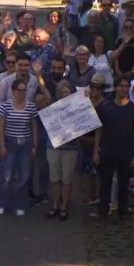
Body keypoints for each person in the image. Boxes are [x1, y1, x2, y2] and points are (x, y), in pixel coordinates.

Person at [90, 73, 134, 223]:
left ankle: (123, 212)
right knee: (105, 184)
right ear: (115, 88)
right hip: (107, 151)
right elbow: (99, 130)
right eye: (121, 86)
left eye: (126, 86)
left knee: (124, 184)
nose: (123, 89)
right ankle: (103, 212)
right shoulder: (105, 107)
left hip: (126, 152)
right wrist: (96, 150)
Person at [0, 78, 36, 216]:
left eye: (24, 90)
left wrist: (35, 145)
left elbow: (34, 126)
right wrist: (2, 145)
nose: (22, 93)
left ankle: (20, 204)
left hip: (26, 143)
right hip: (10, 142)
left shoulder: (31, 107)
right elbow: (1, 127)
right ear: (13, 91)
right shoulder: (5, 106)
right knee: (7, 175)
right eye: (19, 90)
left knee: (23, 176)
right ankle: (2, 203)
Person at [45, 82, 80, 221]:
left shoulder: (78, 108)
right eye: (63, 92)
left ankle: (64, 207)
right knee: (54, 178)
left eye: (68, 91)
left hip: (70, 148)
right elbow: (44, 91)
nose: (65, 94)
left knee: (67, 179)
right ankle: (55, 205)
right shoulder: (52, 107)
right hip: (53, 147)